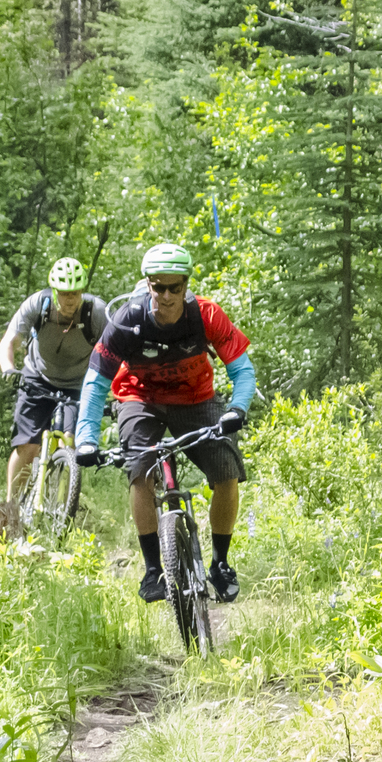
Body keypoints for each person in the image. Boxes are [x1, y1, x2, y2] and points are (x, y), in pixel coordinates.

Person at [74, 244, 255, 603]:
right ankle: (153, 569)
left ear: (186, 284)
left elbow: (242, 370)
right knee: (139, 470)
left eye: (175, 287)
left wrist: (237, 409)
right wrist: (85, 439)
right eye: (159, 287)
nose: (167, 296)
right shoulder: (127, 320)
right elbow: (95, 383)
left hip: (196, 398)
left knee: (227, 471)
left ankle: (220, 563)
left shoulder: (206, 315)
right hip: (139, 398)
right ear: (148, 284)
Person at [0, 257, 111, 501]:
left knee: (68, 442)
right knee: (27, 446)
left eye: (75, 293)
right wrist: (9, 369)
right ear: (54, 290)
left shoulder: (96, 312)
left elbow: (117, 352)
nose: (70, 299)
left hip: (78, 384)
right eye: (64, 293)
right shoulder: (38, 304)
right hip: (37, 377)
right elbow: (10, 341)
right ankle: (10, 505)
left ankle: (60, 505)